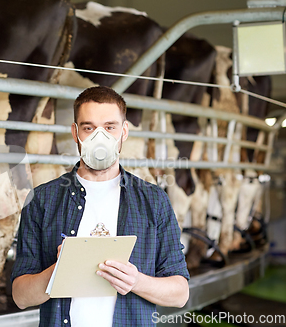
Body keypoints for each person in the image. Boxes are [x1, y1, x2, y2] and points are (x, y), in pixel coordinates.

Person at [11, 86, 190, 326]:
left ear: (124, 132)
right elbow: (20, 296)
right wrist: (59, 271)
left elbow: (180, 293)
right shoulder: (43, 200)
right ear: (75, 133)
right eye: (89, 128)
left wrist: (136, 282)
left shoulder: (153, 200)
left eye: (109, 127)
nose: (99, 137)